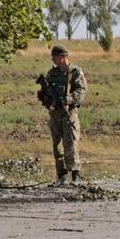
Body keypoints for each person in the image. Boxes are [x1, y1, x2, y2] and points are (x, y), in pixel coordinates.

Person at [38, 44, 87, 185]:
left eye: (55, 56)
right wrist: (46, 100)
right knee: (57, 146)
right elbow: (45, 91)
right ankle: (61, 176)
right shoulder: (51, 74)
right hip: (55, 114)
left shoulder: (75, 72)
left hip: (68, 112)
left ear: (63, 57)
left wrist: (67, 100)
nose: (53, 59)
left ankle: (76, 174)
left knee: (71, 142)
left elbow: (81, 91)